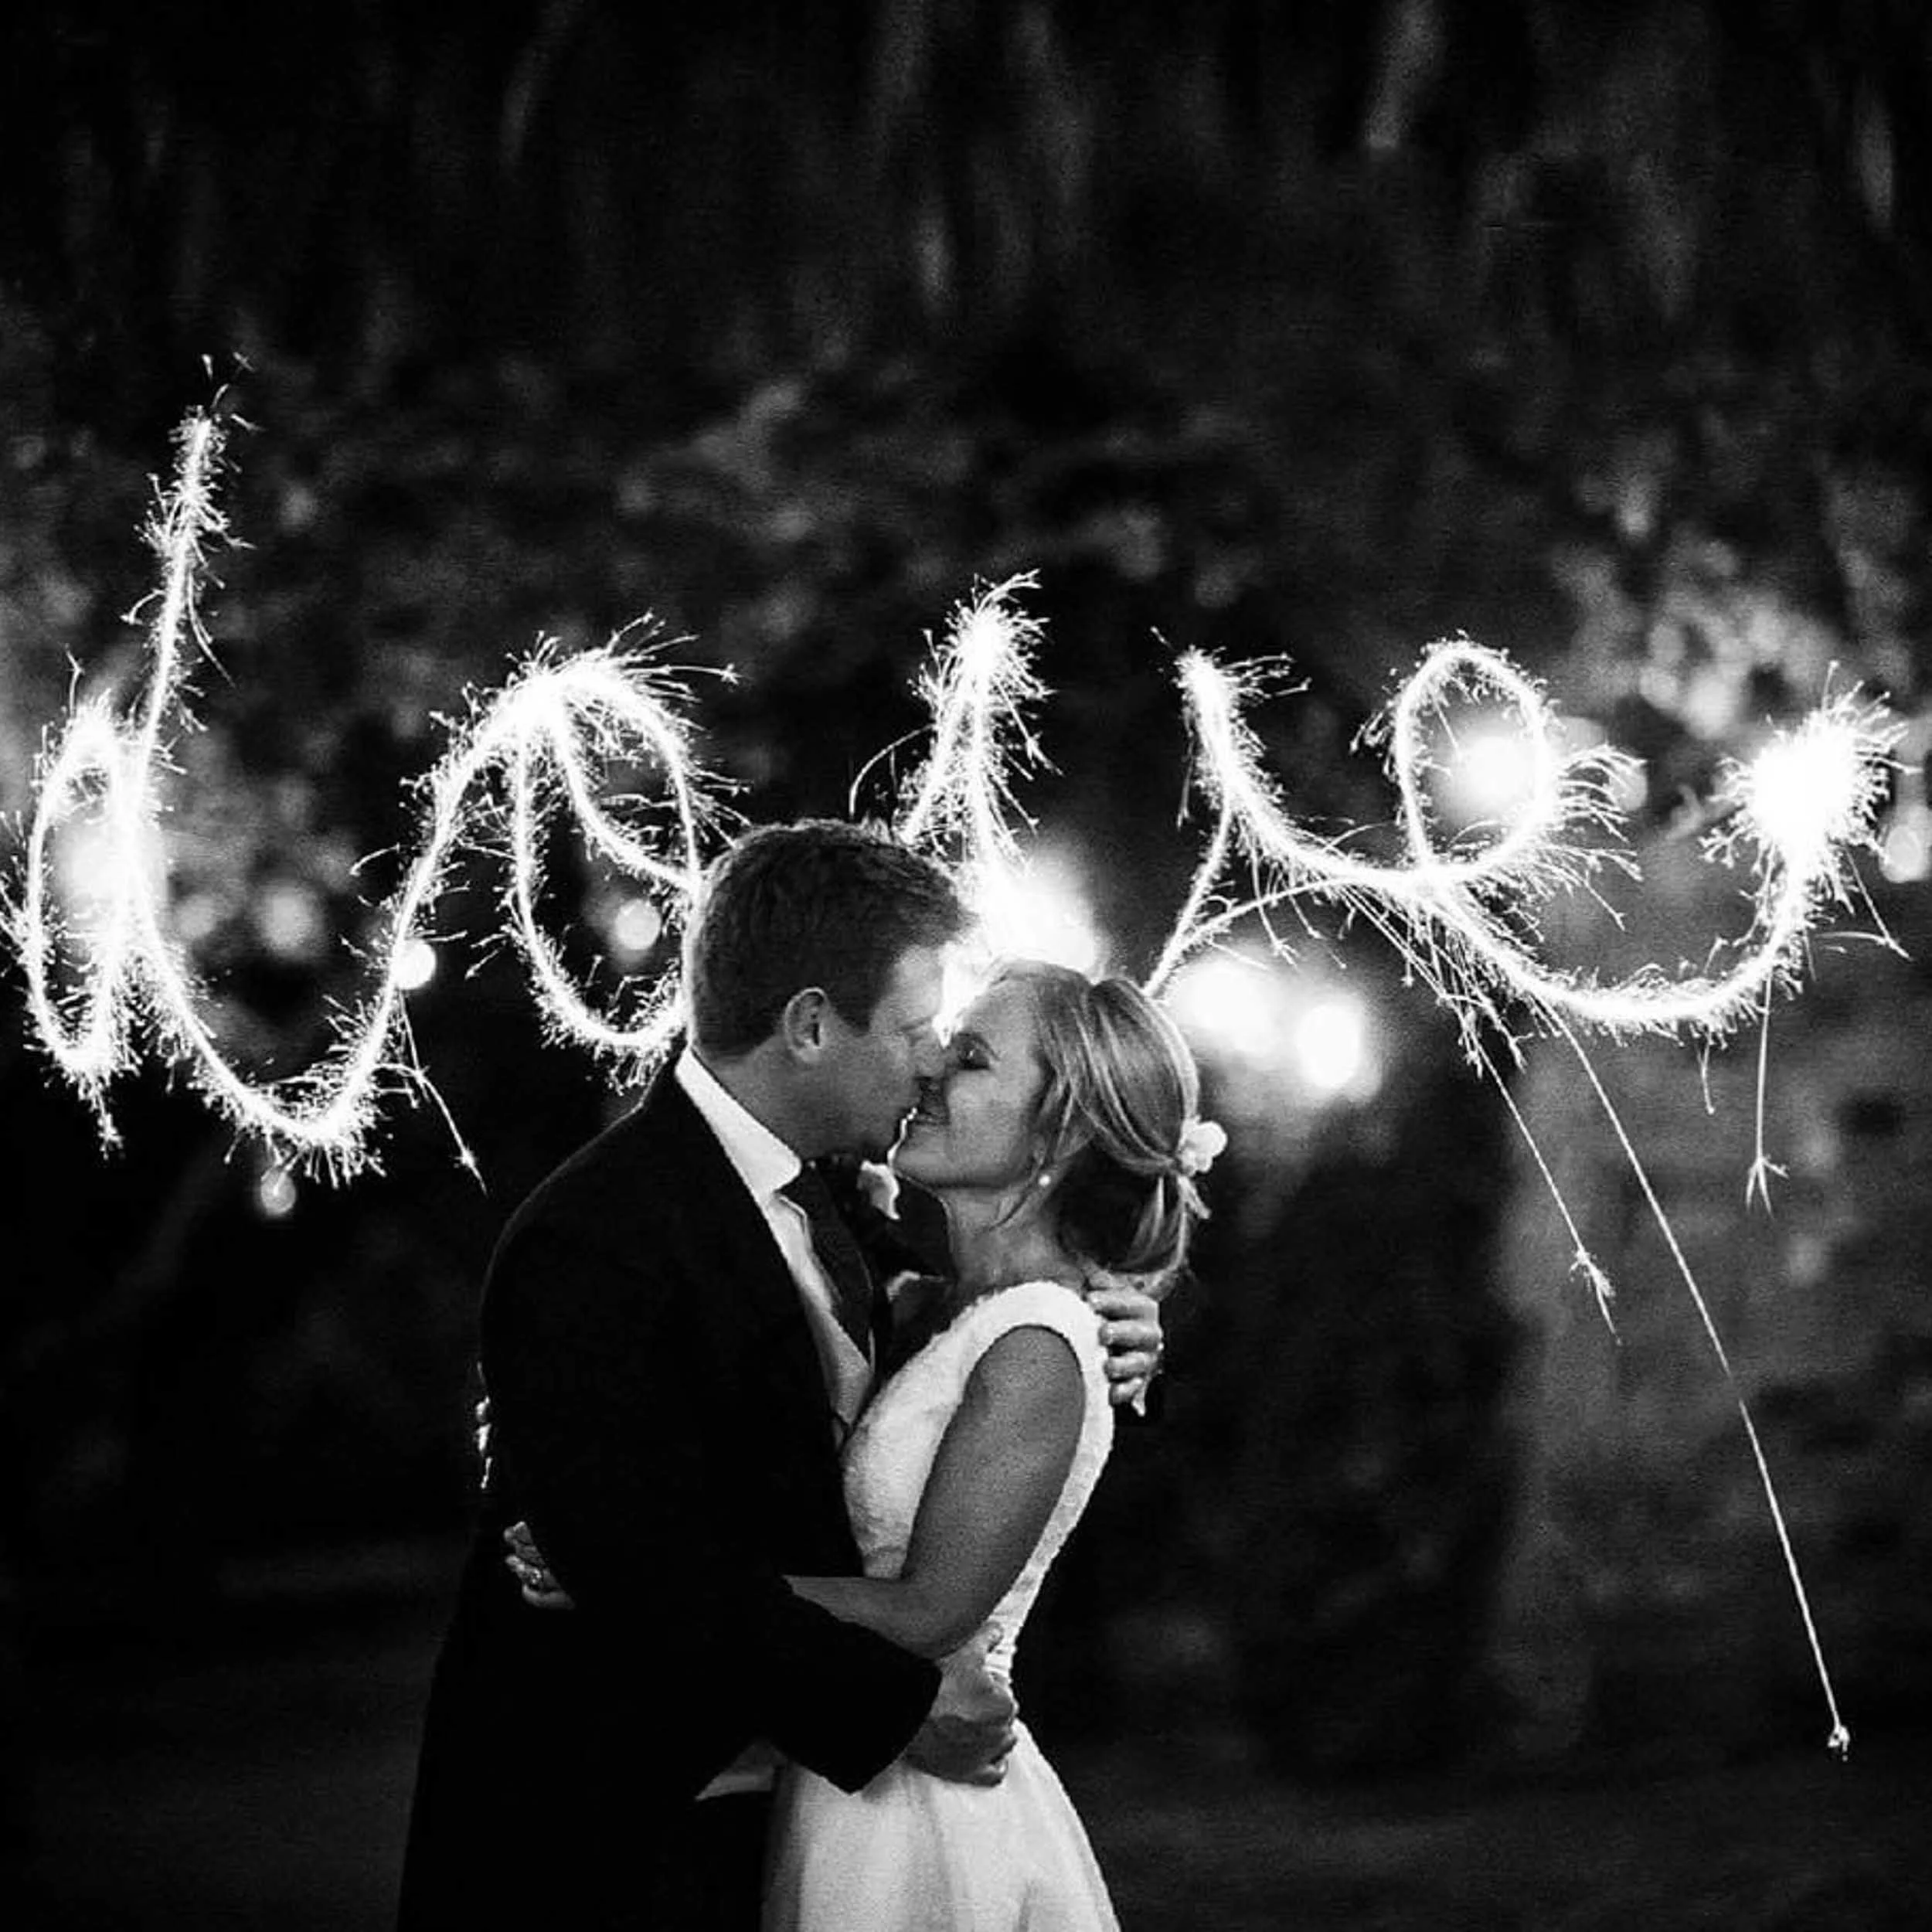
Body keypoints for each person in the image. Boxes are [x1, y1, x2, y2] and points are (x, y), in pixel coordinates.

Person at [396, 821, 1164, 1930]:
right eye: (914, 1030)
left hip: (781, 1823)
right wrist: (895, 1708)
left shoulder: (846, 1213)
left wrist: (1125, 1320)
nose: (932, 1060)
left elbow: (1003, 1330)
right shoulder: (598, 1235)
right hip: (609, 1838)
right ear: (810, 1025)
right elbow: (624, 1550)